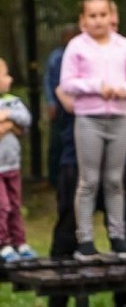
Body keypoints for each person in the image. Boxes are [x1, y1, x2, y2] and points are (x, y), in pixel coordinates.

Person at [59, 0, 126, 260]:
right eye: (92, 16)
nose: (98, 20)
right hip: (89, 120)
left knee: (114, 180)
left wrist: (124, 89)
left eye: (103, 15)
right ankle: (85, 240)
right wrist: (96, 87)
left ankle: (118, 236)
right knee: (89, 180)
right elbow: (67, 83)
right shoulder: (77, 46)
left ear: (111, 17)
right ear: (83, 19)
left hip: (118, 119)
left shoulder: (123, 45)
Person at [0, 57, 36, 262]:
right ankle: (3, 244)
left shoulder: (12, 102)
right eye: (5, 74)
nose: (10, 78)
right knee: (2, 206)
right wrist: (10, 124)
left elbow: (26, 119)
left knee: (15, 204)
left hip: (12, 165)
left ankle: (19, 242)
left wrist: (6, 118)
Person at [44, 25, 79, 189]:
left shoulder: (82, 54)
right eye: (66, 36)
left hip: (78, 107)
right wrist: (51, 101)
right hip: (59, 108)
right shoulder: (56, 57)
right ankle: (54, 179)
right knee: (56, 144)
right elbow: (49, 81)